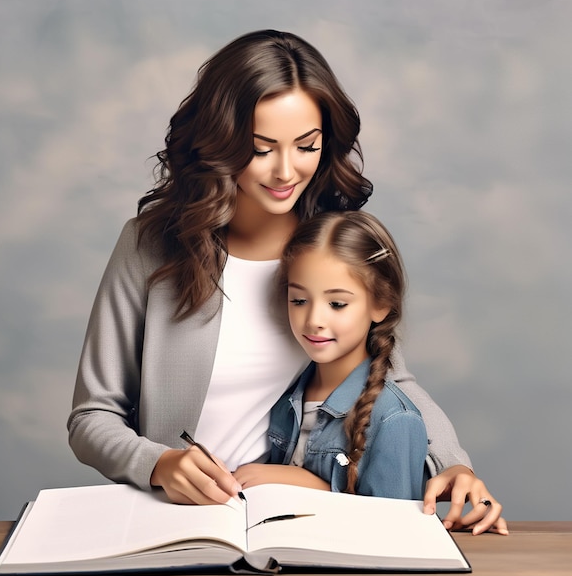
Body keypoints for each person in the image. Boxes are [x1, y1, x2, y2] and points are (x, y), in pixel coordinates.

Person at [68, 29, 507, 534]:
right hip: (173, 523)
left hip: (303, 516)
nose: (285, 171)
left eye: (306, 146)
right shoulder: (149, 246)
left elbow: (389, 375)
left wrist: (454, 464)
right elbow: (91, 417)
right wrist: (157, 463)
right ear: (219, 144)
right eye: (260, 149)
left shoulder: (328, 246)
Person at [235, 210, 429, 499]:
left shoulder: (393, 419)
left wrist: (303, 482)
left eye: (337, 303)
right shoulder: (285, 398)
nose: (313, 319)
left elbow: (393, 532)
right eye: (299, 300)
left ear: (381, 304)